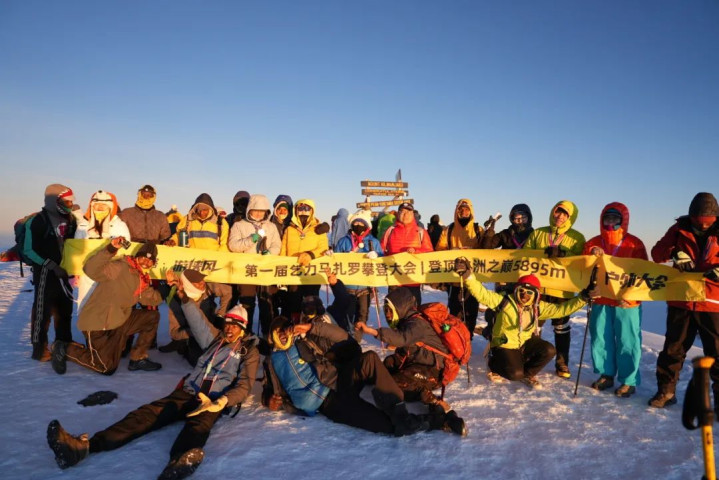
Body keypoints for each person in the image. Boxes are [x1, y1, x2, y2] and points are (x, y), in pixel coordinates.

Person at [46, 297, 259, 480]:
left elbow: (245, 384)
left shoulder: (248, 350)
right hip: (188, 392)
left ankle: (179, 463)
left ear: (243, 328)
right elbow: (198, 322)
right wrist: (185, 299)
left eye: (235, 325)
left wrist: (221, 402)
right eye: (228, 323)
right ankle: (85, 447)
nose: (229, 328)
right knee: (146, 415)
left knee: (197, 428)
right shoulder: (216, 339)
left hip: (212, 401)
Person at [265, 314, 466, 437]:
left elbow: (344, 339)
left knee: (370, 358)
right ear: (272, 337)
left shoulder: (306, 340)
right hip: (329, 404)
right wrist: (268, 400)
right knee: (387, 426)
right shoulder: (271, 361)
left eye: (286, 330)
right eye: (278, 333)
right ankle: (439, 421)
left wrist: (311, 328)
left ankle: (400, 412)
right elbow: (268, 390)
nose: (284, 335)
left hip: (338, 382)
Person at [454, 257, 597, 388]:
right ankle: (493, 362)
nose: (524, 295)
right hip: (505, 344)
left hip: (524, 342)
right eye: (522, 291)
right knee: (514, 374)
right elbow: (482, 294)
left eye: (529, 292)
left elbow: (561, 309)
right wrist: (468, 276)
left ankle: (526, 374)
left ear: (535, 294)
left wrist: (583, 297)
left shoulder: (537, 307)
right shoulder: (504, 301)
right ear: (517, 290)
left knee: (549, 350)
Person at [649, 192, 719, 409]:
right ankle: (666, 391)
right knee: (673, 349)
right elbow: (657, 253)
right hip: (682, 300)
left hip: (712, 303)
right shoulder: (679, 229)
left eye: (708, 222)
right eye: (699, 222)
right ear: (691, 216)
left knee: (717, 353)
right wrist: (675, 253)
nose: (703, 226)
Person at [56, 237, 163, 375]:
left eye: (150, 261)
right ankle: (64, 349)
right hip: (98, 323)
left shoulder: (141, 280)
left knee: (152, 317)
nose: (146, 262)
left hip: (118, 321)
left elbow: (153, 300)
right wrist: (110, 249)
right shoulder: (120, 267)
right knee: (106, 368)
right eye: (143, 258)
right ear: (137, 257)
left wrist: (166, 288)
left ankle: (138, 358)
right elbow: (90, 269)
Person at [583, 203, 647, 398]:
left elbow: (644, 273)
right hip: (601, 298)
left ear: (623, 220)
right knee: (601, 338)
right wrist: (590, 254)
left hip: (626, 302)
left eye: (615, 218)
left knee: (628, 340)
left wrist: (634, 297)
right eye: (607, 218)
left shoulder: (634, 244)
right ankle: (606, 374)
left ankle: (628, 381)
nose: (610, 222)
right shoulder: (593, 243)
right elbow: (582, 269)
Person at [355, 287, 448, 407]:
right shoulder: (406, 321)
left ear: (401, 307)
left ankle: (428, 397)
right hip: (417, 362)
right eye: (386, 310)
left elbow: (402, 338)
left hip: (434, 371)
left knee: (394, 385)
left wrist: (372, 331)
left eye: (390, 310)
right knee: (389, 363)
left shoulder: (417, 324)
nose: (387, 314)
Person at [524, 200, 586, 379]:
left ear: (570, 217)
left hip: (562, 291)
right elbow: (525, 255)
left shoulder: (577, 238)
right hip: (539, 289)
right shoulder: (539, 233)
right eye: (558, 212)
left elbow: (582, 261)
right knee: (534, 326)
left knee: (561, 328)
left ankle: (562, 362)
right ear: (553, 212)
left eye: (565, 214)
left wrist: (564, 254)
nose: (560, 216)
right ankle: (531, 359)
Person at [24, 184, 77, 362]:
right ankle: (40, 349)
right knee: (43, 311)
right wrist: (52, 266)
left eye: (71, 201)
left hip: (66, 271)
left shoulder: (71, 220)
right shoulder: (38, 220)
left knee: (65, 310)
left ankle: (64, 346)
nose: (70, 204)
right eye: (66, 201)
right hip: (45, 272)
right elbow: (29, 249)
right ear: (55, 200)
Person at [228, 194, 282, 336]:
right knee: (247, 304)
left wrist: (270, 253)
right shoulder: (239, 225)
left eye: (262, 211)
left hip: (265, 270)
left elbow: (277, 244)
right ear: (249, 209)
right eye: (255, 210)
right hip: (247, 271)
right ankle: (246, 334)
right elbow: (233, 245)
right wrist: (251, 240)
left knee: (266, 304)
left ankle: (267, 336)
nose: (258, 213)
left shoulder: (271, 227)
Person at [480, 204, 534, 339]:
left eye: (523, 218)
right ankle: (495, 336)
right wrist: (489, 232)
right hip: (505, 281)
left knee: (524, 310)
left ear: (529, 218)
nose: (520, 221)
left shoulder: (534, 235)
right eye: (516, 218)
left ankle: (523, 339)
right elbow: (487, 248)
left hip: (524, 280)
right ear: (511, 219)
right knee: (499, 308)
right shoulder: (506, 234)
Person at [159, 269, 232, 366]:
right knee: (200, 361)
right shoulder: (176, 302)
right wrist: (194, 330)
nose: (202, 283)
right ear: (188, 284)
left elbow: (227, 291)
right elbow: (174, 333)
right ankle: (182, 347)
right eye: (197, 282)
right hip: (193, 336)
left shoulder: (207, 288)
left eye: (202, 280)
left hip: (212, 329)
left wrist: (220, 315)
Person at [435, 198, 486, 337]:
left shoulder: (478, 230)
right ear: (456, 211)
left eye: (466, 209)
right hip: (454, 280)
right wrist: (453, 252)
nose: (463, 212)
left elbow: (485, 250)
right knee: (454, 313)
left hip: (473, 280)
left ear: (471, 211)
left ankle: (468, 339)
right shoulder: (449, 230)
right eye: (461, 209)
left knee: (471, 313)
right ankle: (455, 340)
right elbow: (439, 250)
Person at [74, 190, 131, 310]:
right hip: (86, 273)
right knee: (86, 305)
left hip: (110, 273)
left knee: (108, 307)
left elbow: (126, 250)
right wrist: (76, 272)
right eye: (97, 205)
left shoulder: (119, 226)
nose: (99, 208)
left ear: (110, 207)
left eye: (103, 206)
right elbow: (76, 250)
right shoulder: (83, 226)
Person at [280, 198, 330, 318]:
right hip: (294, 272)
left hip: (311, 272)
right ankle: (295, 324)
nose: (303, 211)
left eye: (307, 208)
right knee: (293, 302)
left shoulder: (318, 229)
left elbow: (323, 249)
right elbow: (283, 251)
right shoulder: (289, 229)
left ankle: (312, 326)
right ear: (295, 210)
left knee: (311, 303)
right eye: (300, 208)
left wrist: (311, 255)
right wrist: (281, 269)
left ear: (312, 211)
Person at [381, 202, 434, 306]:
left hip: (413, 279)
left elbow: (429, 252)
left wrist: (416, 251)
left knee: (413, 310)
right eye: (402, 211)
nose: (405, 214)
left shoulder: (420, 232)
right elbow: (382, 250)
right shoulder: (390, 230)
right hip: (394, 279)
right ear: (398, 214)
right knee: (393, 310)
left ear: (413, 214)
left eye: (408, 212)